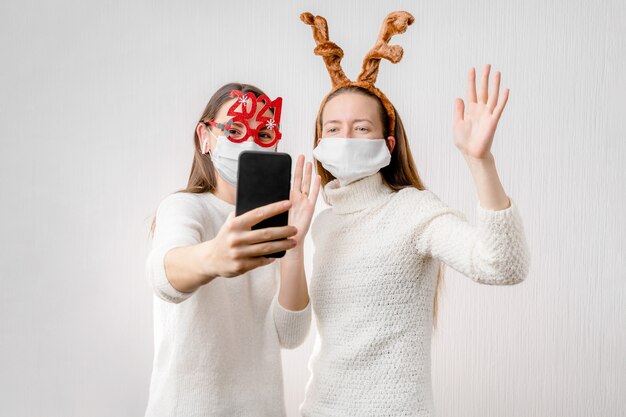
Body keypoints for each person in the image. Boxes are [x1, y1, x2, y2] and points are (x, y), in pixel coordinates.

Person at [300, 12, 530, 416]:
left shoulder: (412, 210)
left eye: (361, 128)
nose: (345, 137)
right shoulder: (323, 223)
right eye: (333, 129)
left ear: (388, 143)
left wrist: (480, 162)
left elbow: (502, 267)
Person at [144, 82, 320, 417]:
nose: (251, 141)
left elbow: (290, 334)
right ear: (205, 137)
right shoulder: (183, 207)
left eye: (264, 134)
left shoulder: (272, 221)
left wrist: (293, 244)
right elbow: (163, 276)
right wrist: (215, 257)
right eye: (235, 129)